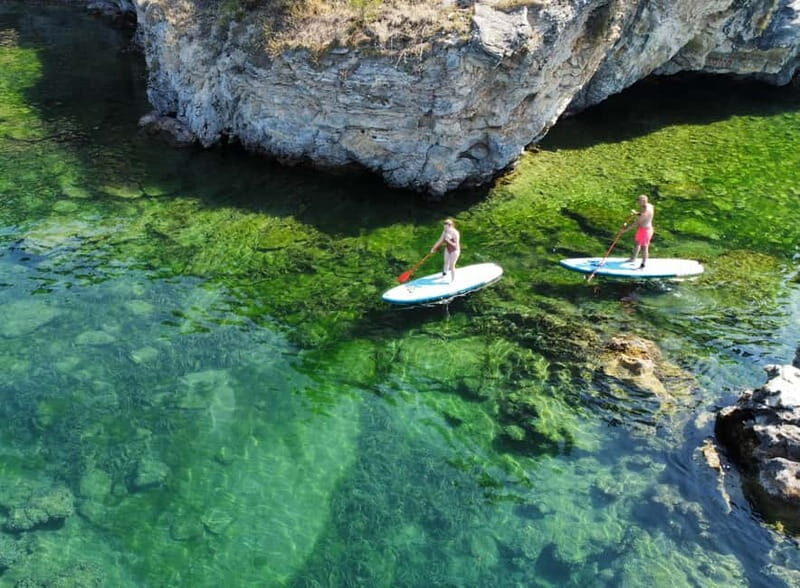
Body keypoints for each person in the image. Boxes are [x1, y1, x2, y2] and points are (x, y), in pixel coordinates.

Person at [625, 194, 654, 268]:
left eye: (639, 200)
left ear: (644, 201)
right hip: (641, 230)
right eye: (638, 200)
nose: (638, 202)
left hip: (646, 231)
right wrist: (636, 213)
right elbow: (640, 215)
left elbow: (636, 223)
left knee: (644, 247)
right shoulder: (648, 205)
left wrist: (625, 230)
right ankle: (633, 259)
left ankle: (643, 264)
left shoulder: (647, 211)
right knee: (637, 243)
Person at [431, 218, 460, 282]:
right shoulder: (445, 231)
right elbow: (440, 240)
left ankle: (453, 280)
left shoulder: (455, 233)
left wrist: (448, 240)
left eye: (446, 226)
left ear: (450, 226)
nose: (445, 228)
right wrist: (433, 248)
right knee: (446, 262)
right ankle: (444, 275)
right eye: (444, 226)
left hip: (455, 250)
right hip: (448, 249)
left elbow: (456, 245)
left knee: (452, 265)